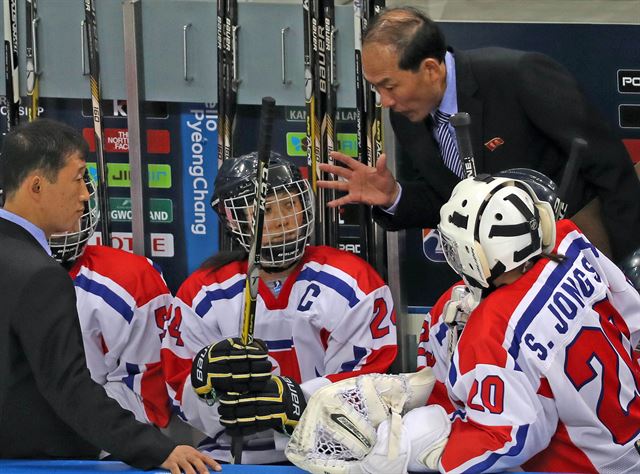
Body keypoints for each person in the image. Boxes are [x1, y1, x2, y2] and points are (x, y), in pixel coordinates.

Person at [284, 173, 640, 473]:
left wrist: (423, 450)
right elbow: (631, 316)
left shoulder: (492, 329)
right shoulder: (570, 242)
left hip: (589, 465)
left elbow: (510, 438)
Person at [318, 6, 640, 264]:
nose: (384, 101)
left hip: (574, 244)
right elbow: (449, 199)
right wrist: (394, 197)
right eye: (375, 88)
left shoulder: (518, 76)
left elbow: (610, 168)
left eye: (389, 86)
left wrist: (630, 265)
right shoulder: (406, 118)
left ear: (431, 69)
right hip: (496, 272)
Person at [0, 119, 219, 473]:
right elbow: (67, 386)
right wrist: (154, 449)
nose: (86, 194)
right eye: (77, 178)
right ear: (37, 186)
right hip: (41, 463)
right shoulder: (41, 275)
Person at [161, 152, 398, 464]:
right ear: (234, 219)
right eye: (266, 209)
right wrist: (208, 385)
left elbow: (370, 383)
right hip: (231, 456)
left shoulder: (352, 281)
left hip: (333, 453)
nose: (283, 218)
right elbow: (179, 390)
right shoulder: (203, 293)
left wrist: (297, 399)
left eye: (290, 204)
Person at [47, 173, 173, 428]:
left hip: (94, 448)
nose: (81, 198)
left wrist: (57, 430)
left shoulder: (131, 279)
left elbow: (147, 402)